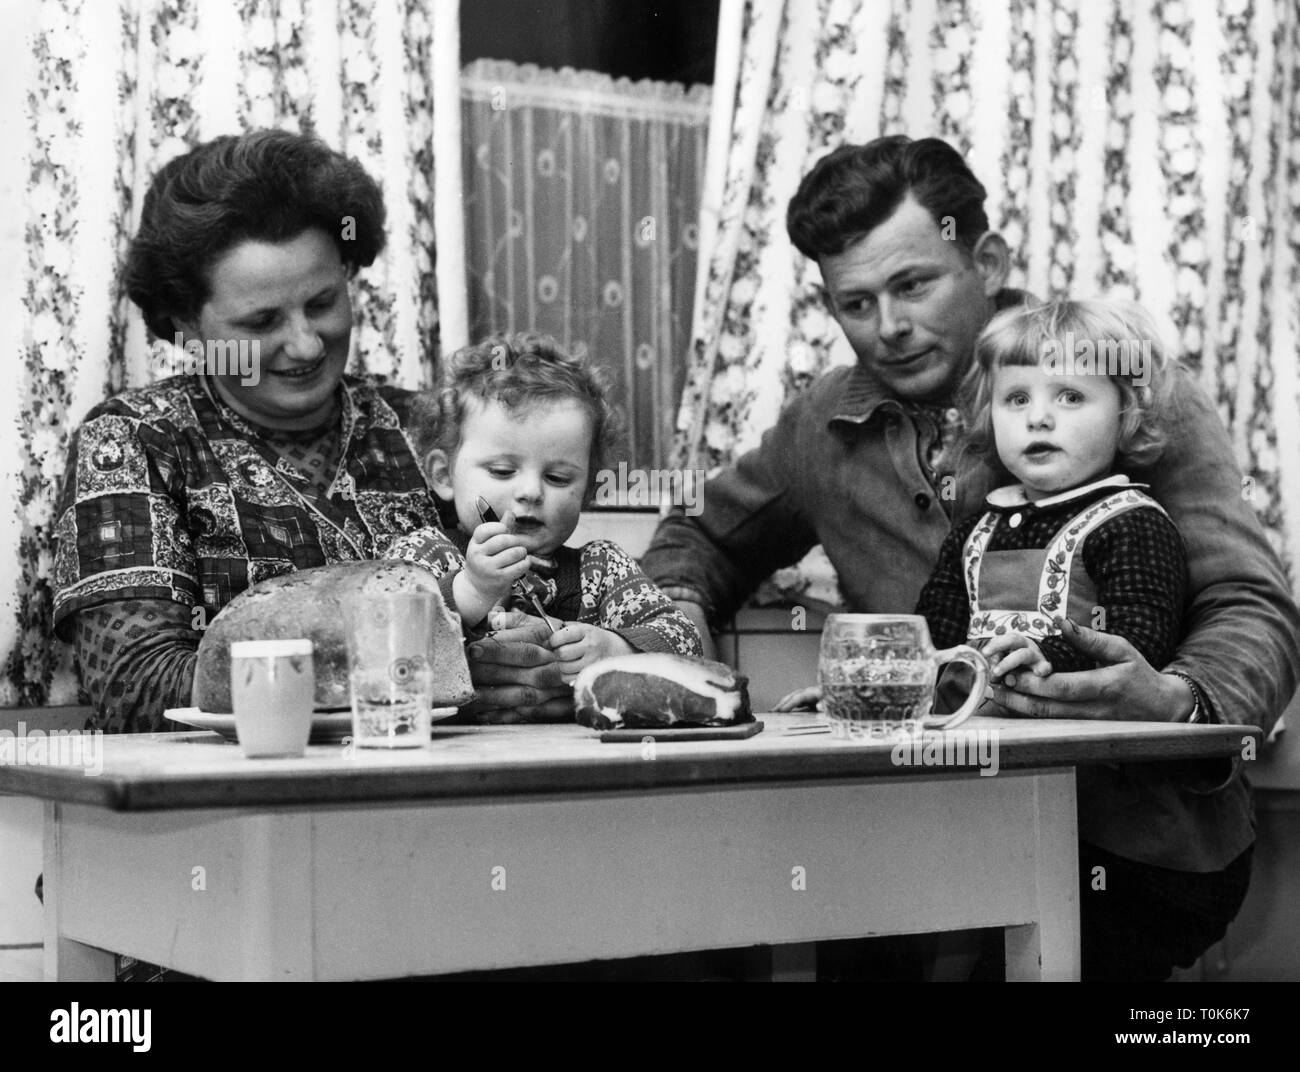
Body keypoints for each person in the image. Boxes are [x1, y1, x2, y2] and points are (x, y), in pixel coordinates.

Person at [640, 135, 1300, 979]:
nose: (891, 328)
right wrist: (669, 636)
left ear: (983, 257)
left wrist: (1177, 702)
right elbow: (698, 538)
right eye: (856, 303)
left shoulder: (1120, 380)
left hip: (1124, 837)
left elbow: (1251, 603)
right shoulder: (818, 426)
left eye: (914, 284)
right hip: (904, 833)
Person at [51, 129, 445, 735]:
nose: (307, 344)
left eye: (322, 302)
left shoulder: (429, 429)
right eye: (262, 321)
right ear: (185, 324)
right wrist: (420, 663)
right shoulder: (135, 440)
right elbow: (137, 687)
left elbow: (536, 600)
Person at [386, 333, 702, 673]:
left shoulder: (602, 571)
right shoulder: (425, 554)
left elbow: (686, 640)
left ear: (589, 490)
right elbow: (384, 641)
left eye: (558, 478)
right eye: (502, 470)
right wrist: (471, 591)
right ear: (443, 475)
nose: (531, 492)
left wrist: (619, 648)